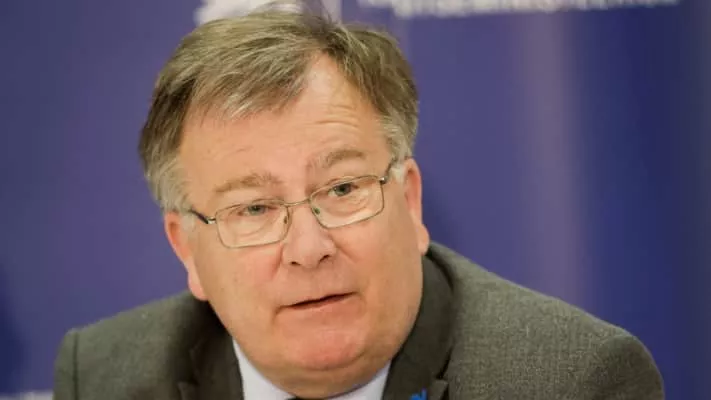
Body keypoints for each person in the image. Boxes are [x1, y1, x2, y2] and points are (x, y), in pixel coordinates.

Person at [53, 3, 664, 399]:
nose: (309, 248)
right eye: (254, 209)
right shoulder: (105, 376)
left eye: (343, 189)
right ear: (187, 249)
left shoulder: (573, 381)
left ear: (410, 202)